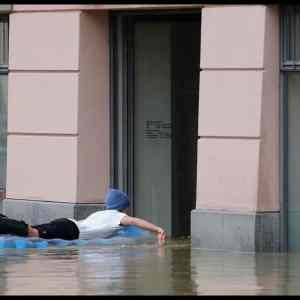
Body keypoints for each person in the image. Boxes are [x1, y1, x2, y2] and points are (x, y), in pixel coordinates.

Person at [0, 189, 167, 245]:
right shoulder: (117, 217)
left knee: (31, 229)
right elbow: (135, 221)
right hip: (70, 230)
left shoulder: (99, 213)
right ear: (122, 208)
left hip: (67, 224)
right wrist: (158, 229)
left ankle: (3, 221)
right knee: (31, 232)